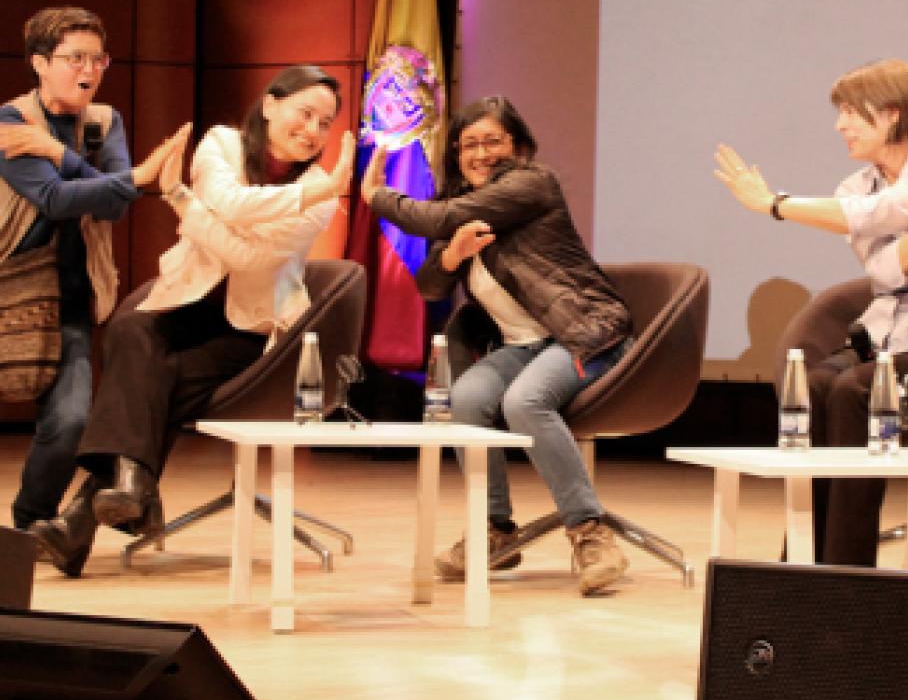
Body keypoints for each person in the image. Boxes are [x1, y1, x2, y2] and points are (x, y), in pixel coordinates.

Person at [30, 65, 355, 576]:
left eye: (325, 123)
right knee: (132, 329)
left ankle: (98, 509)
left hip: (250, 329)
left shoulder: (320, 192)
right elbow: (228, 203)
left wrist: (182, 199)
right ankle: (130, 486)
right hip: (187, 302)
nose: (313, 131)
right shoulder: (220, 145)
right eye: (305, 113)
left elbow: (250, 262)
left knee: (157, 375)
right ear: (270, 104)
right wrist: (218, 211)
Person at [714, 58, 908, 567]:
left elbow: (887, 215)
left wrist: (776, 204)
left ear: (891, 114)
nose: (839, 126)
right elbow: (889, 271)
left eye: (849, 113)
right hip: (888, 341)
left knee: (857, 390)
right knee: (820, 383)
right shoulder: (853, 188)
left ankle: (847, 568)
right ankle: (802, 559)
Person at [362, 95, 634, 596]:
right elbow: (429, 287)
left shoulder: (532, 185)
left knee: (524, 401)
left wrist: (377, 196)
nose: (481, 153)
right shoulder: (467, 206)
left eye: (493, 141)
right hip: (522, 346)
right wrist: (452, 259)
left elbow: (438, 217)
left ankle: (590, 534)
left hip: (585, 332)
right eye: (470, 145)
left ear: (519, 146)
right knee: (465, 400)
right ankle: (495, 532)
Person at [1, 7, 183, 535]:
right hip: (10, 284)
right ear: (39, 62)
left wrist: (58, 151)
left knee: (71, 421)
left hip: (71, 294)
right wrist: (133, 177)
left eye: (97, 58)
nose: (89, 69)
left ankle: (27, 528)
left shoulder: (103, 122)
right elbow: (55, 198)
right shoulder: (12, 122)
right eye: (74, 58)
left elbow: (112, 205)